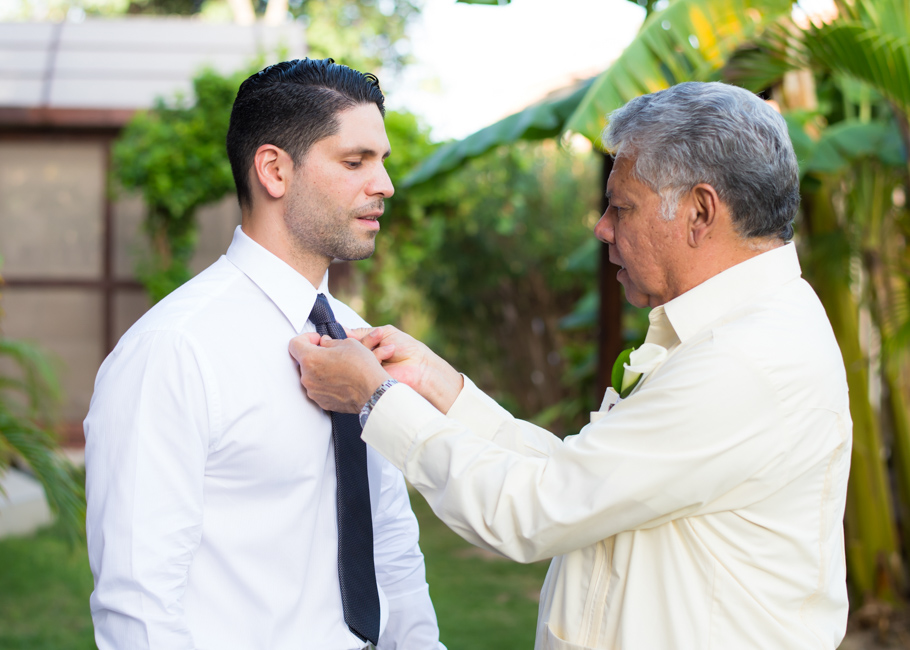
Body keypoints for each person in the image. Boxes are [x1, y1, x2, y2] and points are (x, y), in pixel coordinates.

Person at [289, 81, 852, 649]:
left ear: (700, 211)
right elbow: (581, 480)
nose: (602, 228)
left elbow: (534, 510)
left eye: (622, 207)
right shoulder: (740, 331)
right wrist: (438, 384)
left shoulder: (745, 361)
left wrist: (375, 399)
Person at [84, 58, 445, 650]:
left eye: (382, 162)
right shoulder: (173, 352)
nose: (385, 186)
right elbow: (138, 610)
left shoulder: (359, 339)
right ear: (274, 170)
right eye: (356, 162)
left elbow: (392, 548)